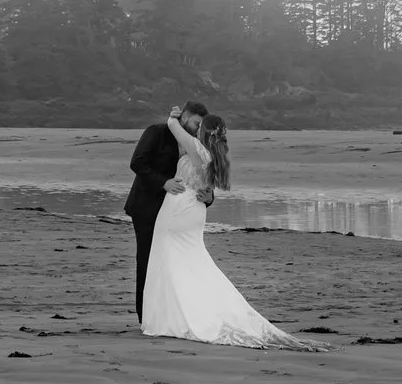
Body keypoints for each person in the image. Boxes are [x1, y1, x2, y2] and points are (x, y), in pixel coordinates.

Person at [138, 106, 324, 349]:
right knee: (192, 262)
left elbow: (174, 127)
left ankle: (171, 316)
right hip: (194, 212)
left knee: (170, 261)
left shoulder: (197, 149)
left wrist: (175, 115)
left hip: (178, 210)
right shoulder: (213, 156)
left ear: (204, 131)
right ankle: (181, 311)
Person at [123, 99, 206, 318]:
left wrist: (208, 198)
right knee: (147, 260)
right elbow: (137, 162)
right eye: (197, 123)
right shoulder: (157, 132)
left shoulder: (194, 144)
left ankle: (168, 313)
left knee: (171, 263)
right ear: (185, 118)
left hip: (176, 214)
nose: (199, 128)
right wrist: (163, 182)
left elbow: (200, 180)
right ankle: (146, 316)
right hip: (147, 207)